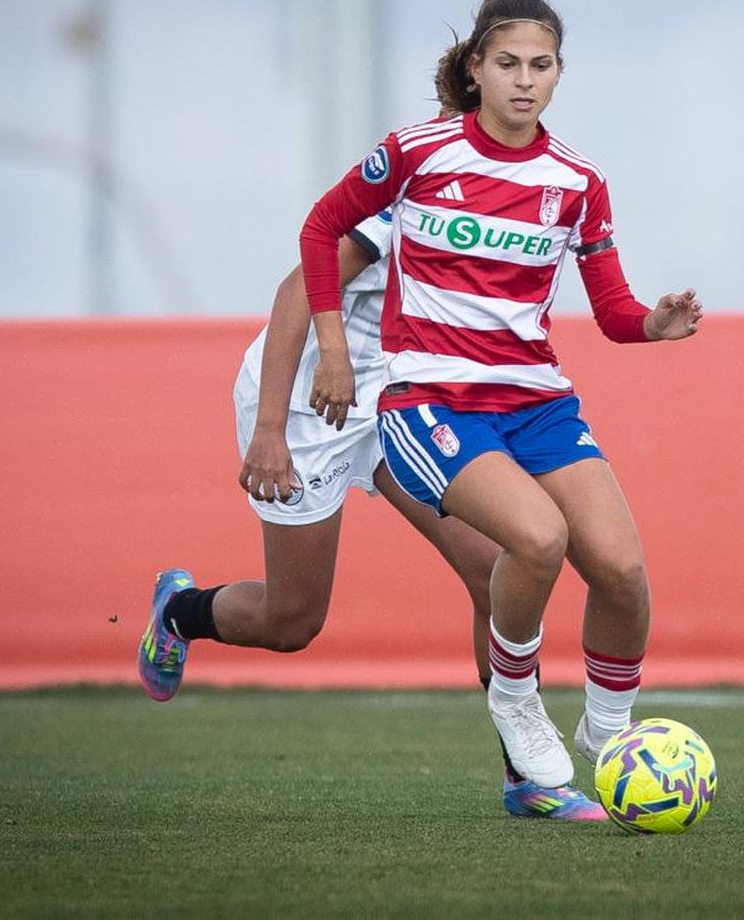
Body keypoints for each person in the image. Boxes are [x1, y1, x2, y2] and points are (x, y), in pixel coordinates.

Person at [299, 0, 703, 789]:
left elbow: (613, 307)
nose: (525, 78)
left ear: (559, 75)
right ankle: (516, 701)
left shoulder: (578, 182)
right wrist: (336, 349)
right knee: (539, 539)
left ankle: (610, 735)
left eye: (542, 65)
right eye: (509, 62)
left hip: (536, 402)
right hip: (431, 403)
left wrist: (651, 325)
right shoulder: (418, 151)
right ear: (476, 68)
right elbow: (322, 227)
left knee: (623, 574)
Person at [137, 207, 605, 821]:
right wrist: (271, 428)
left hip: (402, 400)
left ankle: (526, 777)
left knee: (498, 562)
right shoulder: (410, 191)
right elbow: (297, 291)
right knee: (292, 621)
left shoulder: (512, 195)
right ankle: (177, 612)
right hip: (308, 408)